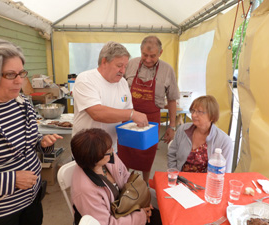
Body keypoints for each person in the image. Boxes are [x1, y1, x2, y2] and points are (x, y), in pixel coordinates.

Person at [0, 39, 63, 224]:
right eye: (11, 75)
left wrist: (42, 143)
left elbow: (30, 139)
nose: (20, 81)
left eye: (21, 73)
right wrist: (12, 180)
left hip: (31, 200)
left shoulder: (22, 102)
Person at [118, 36, 180, 183]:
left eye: (153, 56)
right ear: (140, 51)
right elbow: (117, 88)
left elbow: (172, 99)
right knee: (125, 151)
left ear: (160, 52)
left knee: (147, 153)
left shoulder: (167, 70)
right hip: (128, 116)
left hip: (151, 120)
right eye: (145, 55)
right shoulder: (130, 64)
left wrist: (172, 126)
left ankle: (145, 183)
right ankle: (124, 182)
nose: (148, 59)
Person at [70, 128, 161, 225]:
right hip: (112, 219)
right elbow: (106, 223)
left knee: (160, 216)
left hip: (124, 207)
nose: (112, 150)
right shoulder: (85, 190)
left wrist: (141, 202)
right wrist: (140, 216)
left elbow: (126, 177)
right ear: (94, 158)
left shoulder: (108, 159)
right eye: (107, 151)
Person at [72, 41, 148, 151]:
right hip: (86, 150)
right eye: (119, 66)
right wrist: (132, 114)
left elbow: (127, 112)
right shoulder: (85, 79)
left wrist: (139, 131)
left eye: (125, 66)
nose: (123, 71)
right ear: (104, 62)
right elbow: (97, 113)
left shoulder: (122, 83)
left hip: (110, 149)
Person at [167, 95, 233, 173]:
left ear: (212, 116)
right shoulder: (183, 130)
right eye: (193, 111)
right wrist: (175, 174)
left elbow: (225, 172)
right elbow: (171, 154)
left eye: (199, 112)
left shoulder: (224, 141)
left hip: (208, 182)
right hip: (180, 179)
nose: (193, 115)